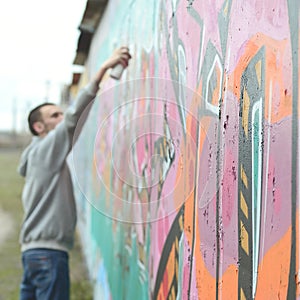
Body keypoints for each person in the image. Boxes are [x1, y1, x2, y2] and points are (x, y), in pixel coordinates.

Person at [17, 47, 131, 300]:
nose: (61, 117)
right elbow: (72, 120)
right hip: (48, 255)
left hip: (33, 254)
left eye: (60, 112)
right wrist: (101, 72)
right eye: (53, 115)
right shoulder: (46, 151)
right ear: (39, 127)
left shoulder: (38, 156)